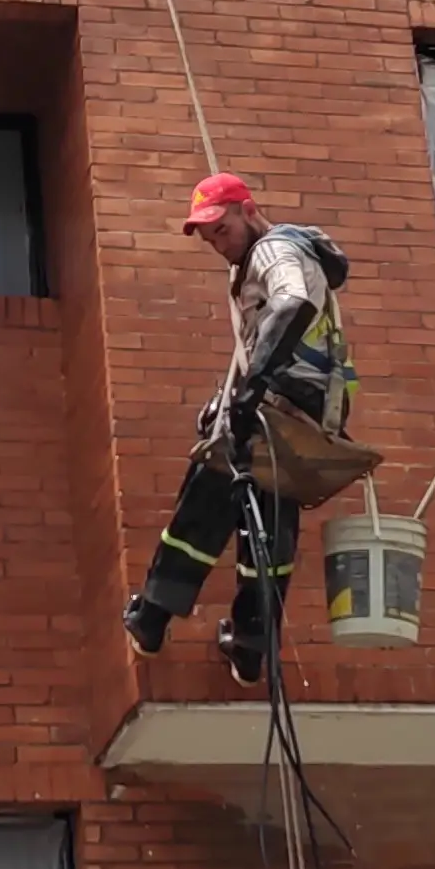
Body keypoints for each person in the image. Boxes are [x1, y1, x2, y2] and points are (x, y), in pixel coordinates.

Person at [123, 172, 354, 685]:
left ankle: (154, 614)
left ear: (248, 211)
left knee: (206, 493)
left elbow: (293, 304)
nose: (218, 246)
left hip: (281, 403)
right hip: (309, 411)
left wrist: (249, 393)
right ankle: (251, 644)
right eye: (210, 240)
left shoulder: (273, 250)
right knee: (270, 525)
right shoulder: (273, 257)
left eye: (222, 230)